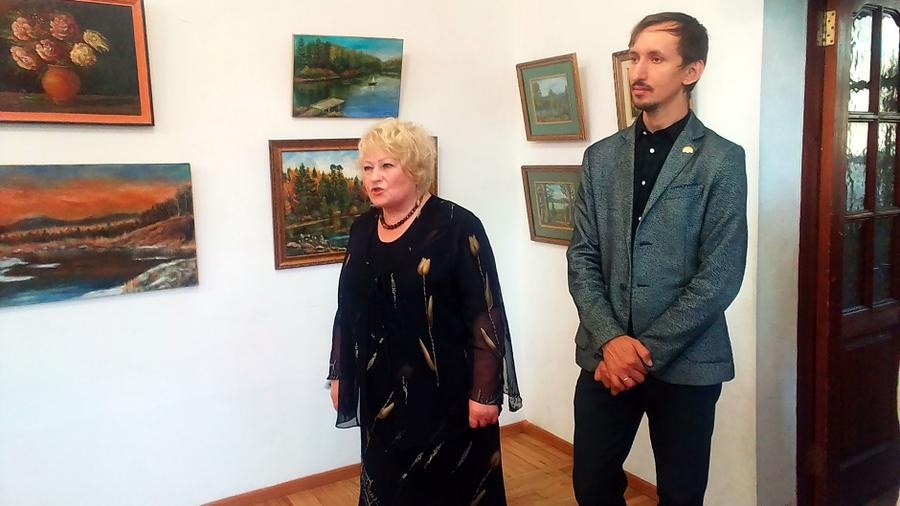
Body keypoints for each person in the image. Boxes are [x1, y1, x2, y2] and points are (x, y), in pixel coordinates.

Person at [566, 12, 748, 506]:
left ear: (692, 71)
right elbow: (582, 257)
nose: (639, 71)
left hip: (687, 362)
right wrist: (611, 340)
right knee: (591, 485)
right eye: (634, 57)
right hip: (605, 356)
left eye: (656, 58)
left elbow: (721, 274)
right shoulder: (601, 157)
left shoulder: (721, 159)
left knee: (682, 494)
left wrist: (641, 353)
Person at [327, 118, 522, 505]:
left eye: (387, 165)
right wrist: (339, 373)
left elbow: (485, 312)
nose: (374, 177)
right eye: (367, 167)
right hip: (381, 394)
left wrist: (485, 392)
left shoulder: (456, 225)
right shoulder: (362, 228)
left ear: (415, 170)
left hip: (447, 394)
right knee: (388, 488)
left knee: (447, 491)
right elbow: (347, 308)